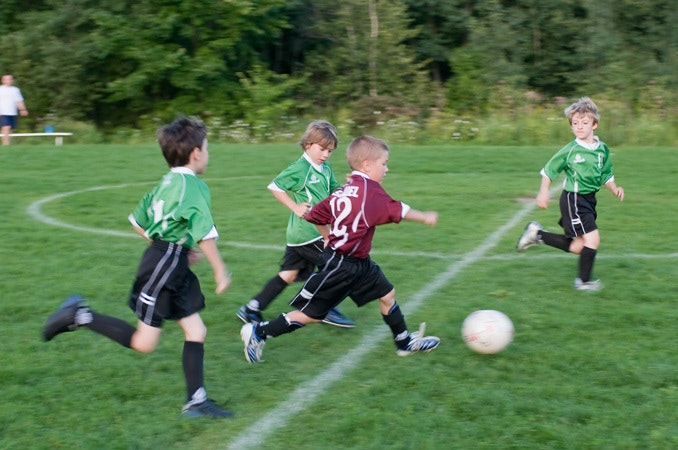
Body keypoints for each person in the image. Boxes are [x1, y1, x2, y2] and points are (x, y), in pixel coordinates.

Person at [42, 117, 234, 418]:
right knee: (144, 343)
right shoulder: (194, 186)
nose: (208, 154)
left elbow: (137, 221)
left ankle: (196, 401)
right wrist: (219, 270)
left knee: (196, 329)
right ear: (196, 153)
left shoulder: (166, 182)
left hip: (168, 260)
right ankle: (79, 315)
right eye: (207, 148)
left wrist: (176, 247)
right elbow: (205, 233)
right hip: (164, 267)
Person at [240, 135, 441, 363]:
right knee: (311, 315)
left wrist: (327, 236)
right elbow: (398, 210)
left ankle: (404, 342)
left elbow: (316, 215)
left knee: (387, 295)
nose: (386, 169)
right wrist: (424, 216)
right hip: (341, 266)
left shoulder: (345, 189)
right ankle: (259, 332)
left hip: (359, 261)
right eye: (383, 164)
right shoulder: (370, 191)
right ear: (367, 165)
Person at [236, 120, 355, 328]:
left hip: (300, 235)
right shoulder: (301, 168)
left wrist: (350, 185)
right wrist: (295, 206)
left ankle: (251, 308)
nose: (326, 154)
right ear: (308, 144)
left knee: (288, 274)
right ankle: (322, 308)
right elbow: (275, 186)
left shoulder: (325, 168)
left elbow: (333, 190)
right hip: (308, 231)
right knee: (337, 266)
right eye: (322, 149)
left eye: (330, 151)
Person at [516, 97, 624, 291]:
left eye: (584, 122)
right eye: (575, 123)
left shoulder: (602, 149)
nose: (579, 127)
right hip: (574, 199)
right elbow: (549, 170)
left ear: (594, 124)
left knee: (579, 246)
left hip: (589, 200)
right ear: (571, 126)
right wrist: (543, 192)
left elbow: (606, 174)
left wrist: (614, 188)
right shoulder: (571, 150)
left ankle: (536, 234)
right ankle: (583, 283)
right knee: (593, 240)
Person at [0, 74, 29, 146]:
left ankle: (7, 144)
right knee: (6, 127)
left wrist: (23, 110)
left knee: (10, 129)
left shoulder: (15, 90)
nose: (9, 81)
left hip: (12, 112)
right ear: (3, 80)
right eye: (7, 79)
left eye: (10, 79)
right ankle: (5, 144)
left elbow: (19, 101)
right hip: (3, 112)